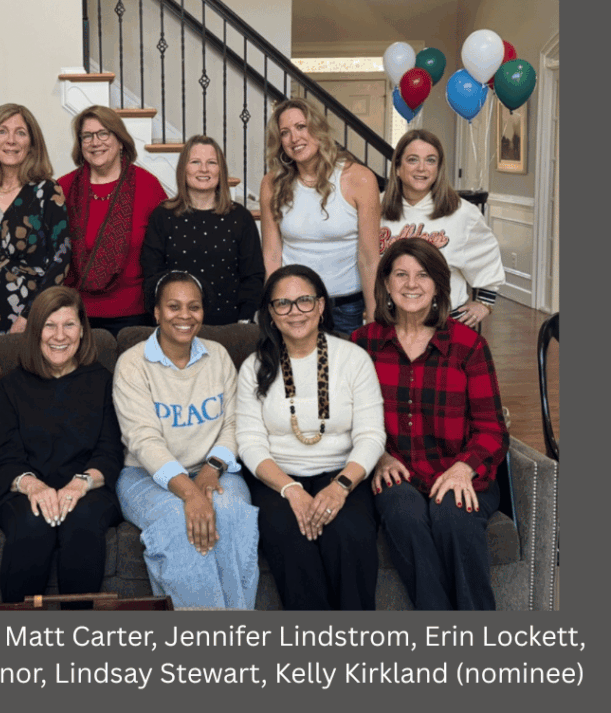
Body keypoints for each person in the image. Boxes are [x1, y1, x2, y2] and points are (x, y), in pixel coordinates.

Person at [351, 238, 509, 610]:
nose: (411, 284)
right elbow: (349, 421)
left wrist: (464, 468)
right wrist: (378, 457)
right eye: (401, 274)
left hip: (459, 470)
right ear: (386, 283)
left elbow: (492, 429)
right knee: (403, 514)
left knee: (455, 515)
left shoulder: (469, 345)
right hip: (396, 472)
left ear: (439, 285)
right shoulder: (362, 344)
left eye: (423, 275)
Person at [236, 265, 385, 610]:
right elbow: (249, 442)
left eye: (304, 300)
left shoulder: (353, 359)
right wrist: (291, 489)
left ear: (320, 306)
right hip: (276, 479)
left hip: (343, 474)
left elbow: (371, 435)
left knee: (349, 536)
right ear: (271, 314)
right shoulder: (254, 367)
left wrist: (341, 486)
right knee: (291, 540)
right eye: (283, 304)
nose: (295, 312)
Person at [113, 272, 259, 609]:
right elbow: (143, 439)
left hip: (213, 469)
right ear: (156, 312)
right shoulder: (132, 363)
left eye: (194, 307)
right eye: (174, 306)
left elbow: (235, 422)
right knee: (178, 521)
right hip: (144, 475)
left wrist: (212, 468)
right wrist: (190, 493)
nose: (185, 315)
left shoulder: (218, 356)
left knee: (231, 513)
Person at [0, 286, 123, 603]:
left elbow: (110, 451)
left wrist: (80, 484)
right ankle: (19, 629)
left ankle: (78, 629)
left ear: (82, 330)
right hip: (24, 489)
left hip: (88, 488)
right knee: (32, 523)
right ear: (35, 331)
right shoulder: (11, 385)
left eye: (69, 325)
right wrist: (34, 486)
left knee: (82, 522)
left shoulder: (103, 381)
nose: (59, 336)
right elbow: (5, 456)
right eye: (49, 325)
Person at [259, 98, 381, 337]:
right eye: (285, 132)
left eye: (301, 127)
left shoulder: (360, 179)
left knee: (347, 363)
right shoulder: (271, 183)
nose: (294, 138)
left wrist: (375, 316)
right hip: (293, 307)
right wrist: (271, 309)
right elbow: (272, 255)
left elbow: (369, 258)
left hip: (346, 306)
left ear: (318, 129)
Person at [380, 129, 505, 330]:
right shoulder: (375, 207)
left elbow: (487, 259)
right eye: (412, 160)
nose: (422, 168)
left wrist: (484, 303)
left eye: (430, 160)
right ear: (397, 168)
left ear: (438, 169)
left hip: (445, 323)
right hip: (388, 322)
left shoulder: (462, 212)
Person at [0, 103, 71, 335]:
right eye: (2, 131)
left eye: (20, 133)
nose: (10, 140)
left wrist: (31, 315)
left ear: (32, 143)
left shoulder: (47, 191)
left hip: (37, 314)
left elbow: (61, 258)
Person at [58, 106, 167, 335]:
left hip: (135, 316)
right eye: (87, 136)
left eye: (103, 133)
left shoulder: (148, 186)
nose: (95, 142)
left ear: (120, 141)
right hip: (75, 315)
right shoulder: (63, 188)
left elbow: (165, 253)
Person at [141, 135, 263, 325]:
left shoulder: (241, 217)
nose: (204, 169)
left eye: (212, 162)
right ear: (184, 169)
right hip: (177, 324)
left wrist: (244, 321)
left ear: (220, 170)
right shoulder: (163, 216)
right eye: (195, 162)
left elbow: (253, 276)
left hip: (230, 326)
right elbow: (152, 274)